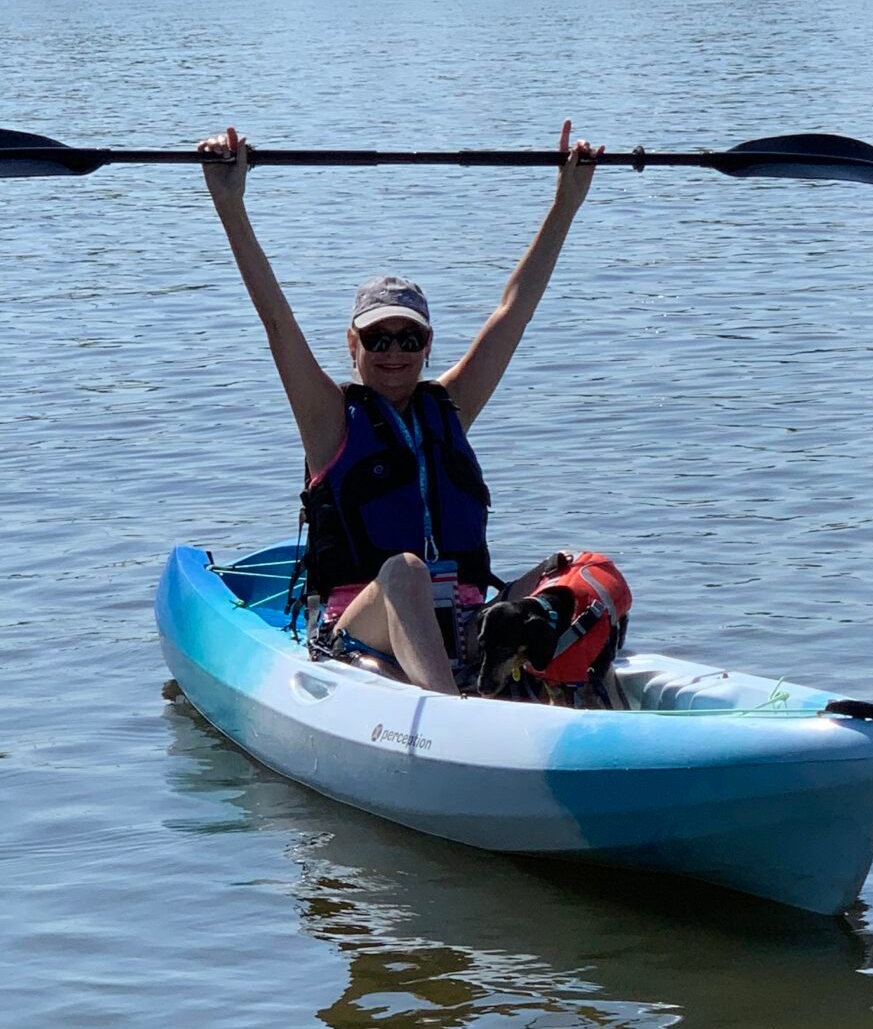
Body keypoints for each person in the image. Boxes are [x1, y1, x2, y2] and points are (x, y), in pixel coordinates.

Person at [197, 121, 604, 693]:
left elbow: (515, 310)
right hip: (363, 630)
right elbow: (277, 322)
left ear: (427, 345)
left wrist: (567, 201)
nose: (393, 353)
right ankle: (453, 717)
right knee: (406, 570)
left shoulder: (449, 407)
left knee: (583, 572)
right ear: (352, 345)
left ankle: (577, 699)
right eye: (377, 339)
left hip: (463, 626)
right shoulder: (331, 418)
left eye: (408, 339)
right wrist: (230, 206)